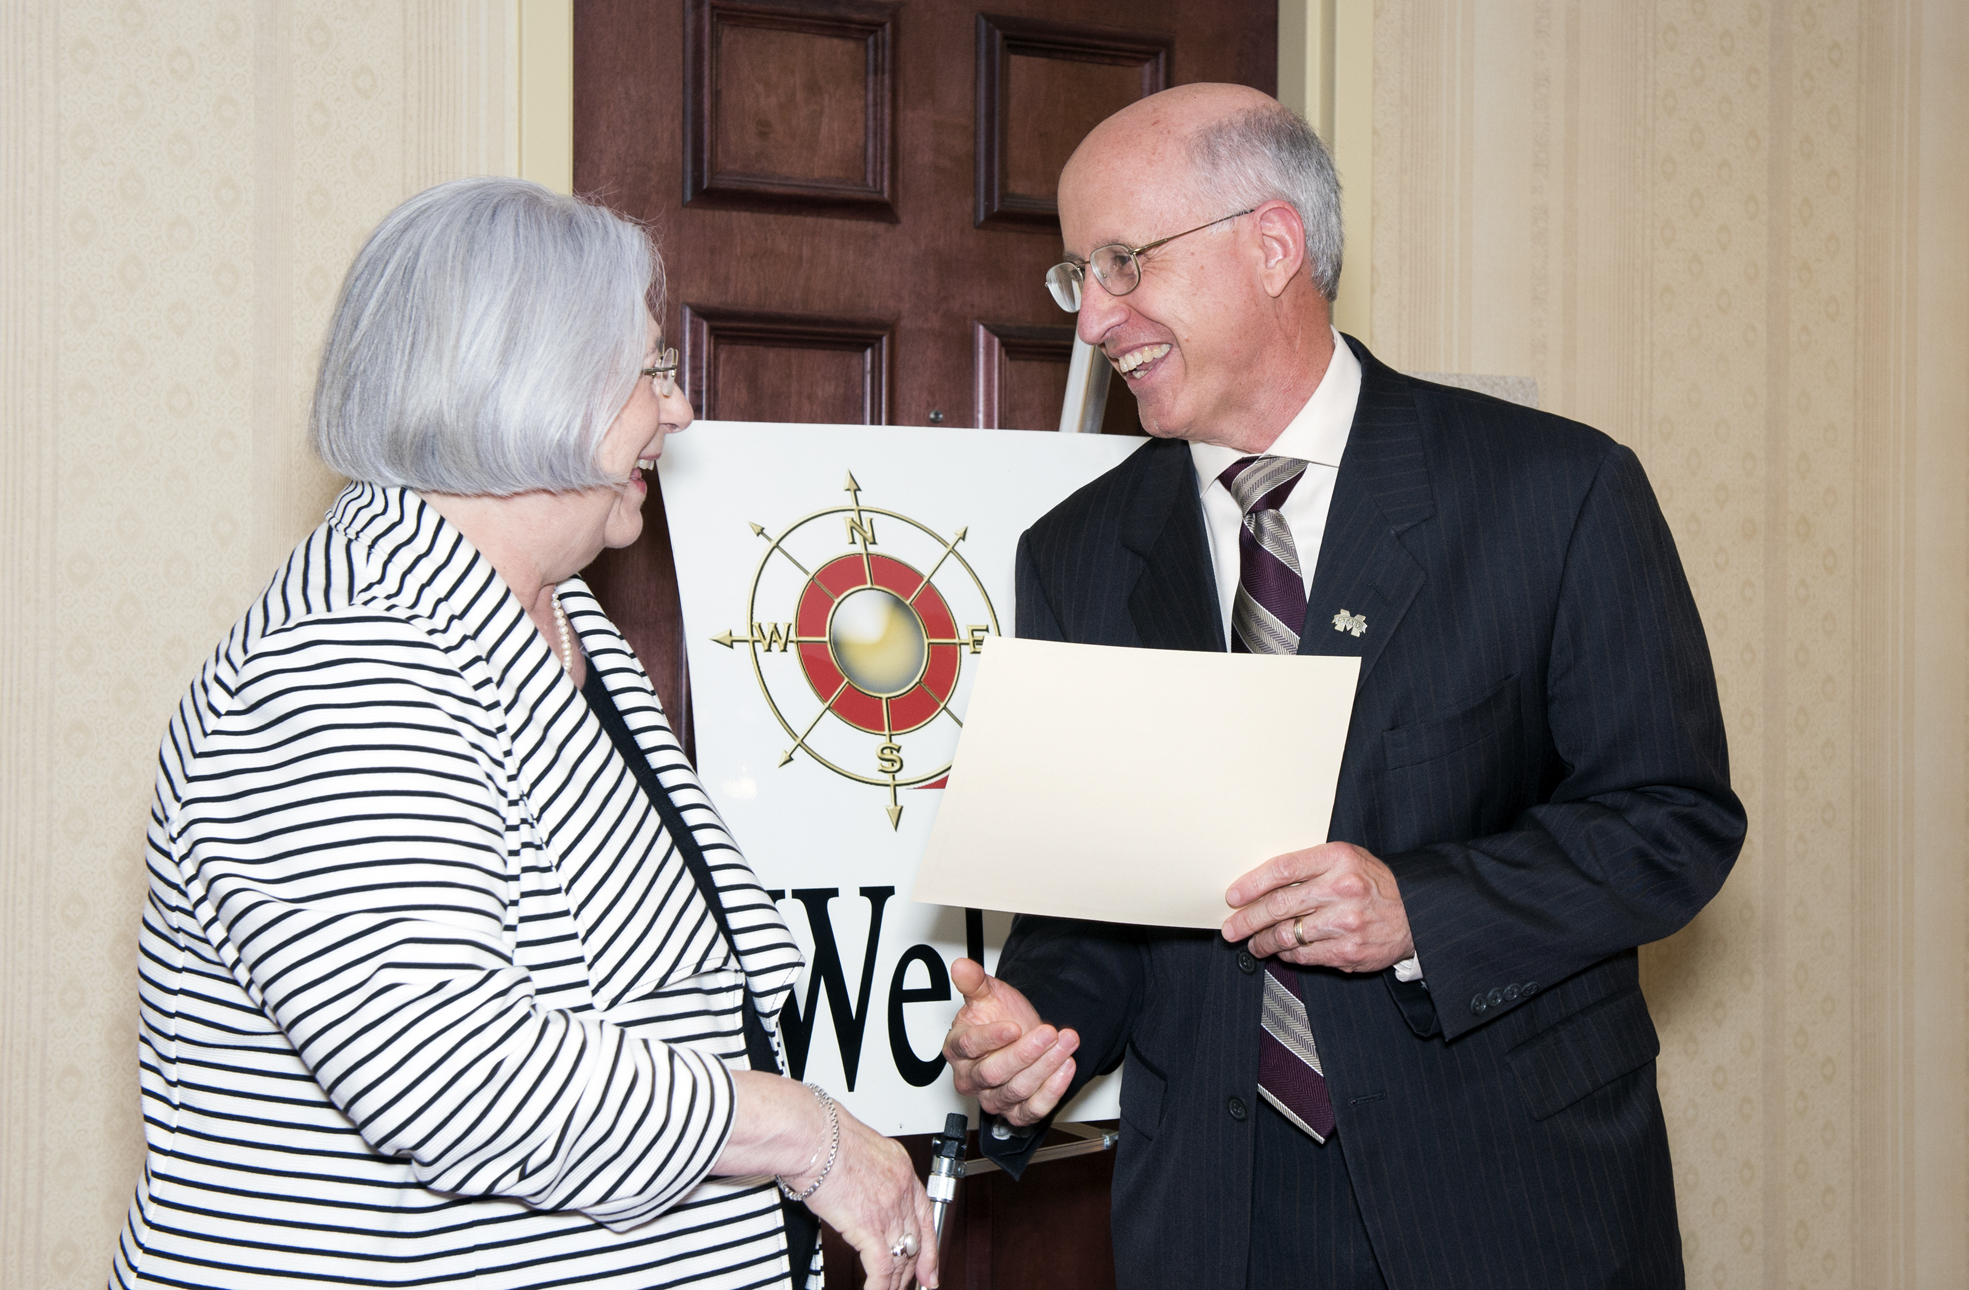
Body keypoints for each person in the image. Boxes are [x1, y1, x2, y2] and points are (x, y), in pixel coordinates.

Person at [942, 84, 1745, 1288]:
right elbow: (1092, 916)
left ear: (1272, 246)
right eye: (1075, 277)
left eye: (1121, 262)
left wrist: (1420, 909)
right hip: (1217, 1221)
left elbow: (1669, 823)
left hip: (1510, 1203)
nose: (1093, 317)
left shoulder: (1551, 493)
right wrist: (1033, 1030)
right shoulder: (1073, 553)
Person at [111, 178, 936, 1290]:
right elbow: (452, 1072)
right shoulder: (346, 663)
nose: (679, 408)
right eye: (650, 368)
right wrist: (806, 1134)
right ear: (525, 378)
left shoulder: (550, 618)